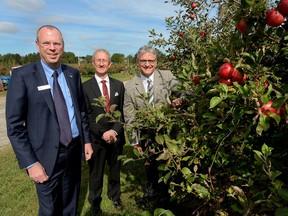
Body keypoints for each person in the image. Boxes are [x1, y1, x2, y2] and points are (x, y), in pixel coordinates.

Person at [6, 25, 93, 216]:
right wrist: (31, 163)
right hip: (44, 157)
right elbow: (14, 127)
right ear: (38, 45)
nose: (52, 48)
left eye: (57, 43)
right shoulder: (23, 76)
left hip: (73, 149)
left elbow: (82, 112)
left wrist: (86, 140)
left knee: (70, 202)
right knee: (49, 209)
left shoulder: (73, 74)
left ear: (63, 46)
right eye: (46, 43)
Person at [123, 45, 182, 205]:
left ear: (156, 62)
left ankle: (166, 193)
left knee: (167, 162)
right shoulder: (130, 86)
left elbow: (181, 91)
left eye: (150, 60)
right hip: (145, 132)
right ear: (137, 62)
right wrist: (135, 141)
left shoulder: (167, 76)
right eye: (143, 61)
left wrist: (179, 99)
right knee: (149, 163)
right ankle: (151, 191)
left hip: (167, 130)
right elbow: (129, 116)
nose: (147, 64)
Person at [83, 49, 125, 215]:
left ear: (110, 64)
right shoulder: (85, 87)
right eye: (98, 60)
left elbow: (122, 111)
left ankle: (115, 196)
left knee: (115, 169)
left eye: (104, 60)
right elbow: (86, 115)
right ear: (93, 63)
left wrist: (114, 131)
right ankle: (95, 201)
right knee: (96, 173)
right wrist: (103, 133)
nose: (101, 63)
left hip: (116, 138)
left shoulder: (118, 85)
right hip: (97, 139)